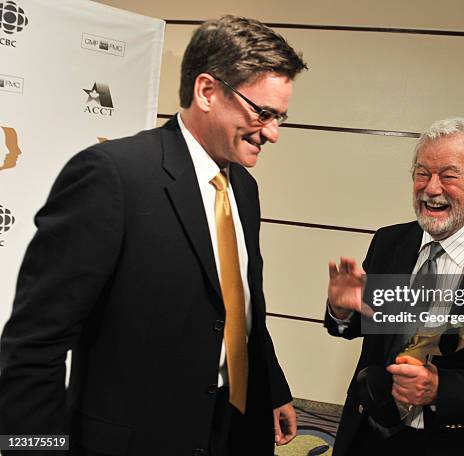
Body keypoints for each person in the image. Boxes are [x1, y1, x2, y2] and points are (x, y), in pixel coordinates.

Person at [0, 15, 306, 455]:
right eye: (262, 113)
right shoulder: (111, 177)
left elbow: (241, 307)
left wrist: (272, 388)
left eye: (281, 117)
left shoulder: (243, 188)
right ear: (206, 91)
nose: (274, 133)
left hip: (235, 429)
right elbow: (33, 347)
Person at [325, 118, 464, 456]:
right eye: (422, 173)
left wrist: (440, 389)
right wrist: (342, 311)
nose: (431, 188)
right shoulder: (389, 243)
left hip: (457, 443)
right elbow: (367, 326)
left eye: (448, 175)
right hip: (369, 434)